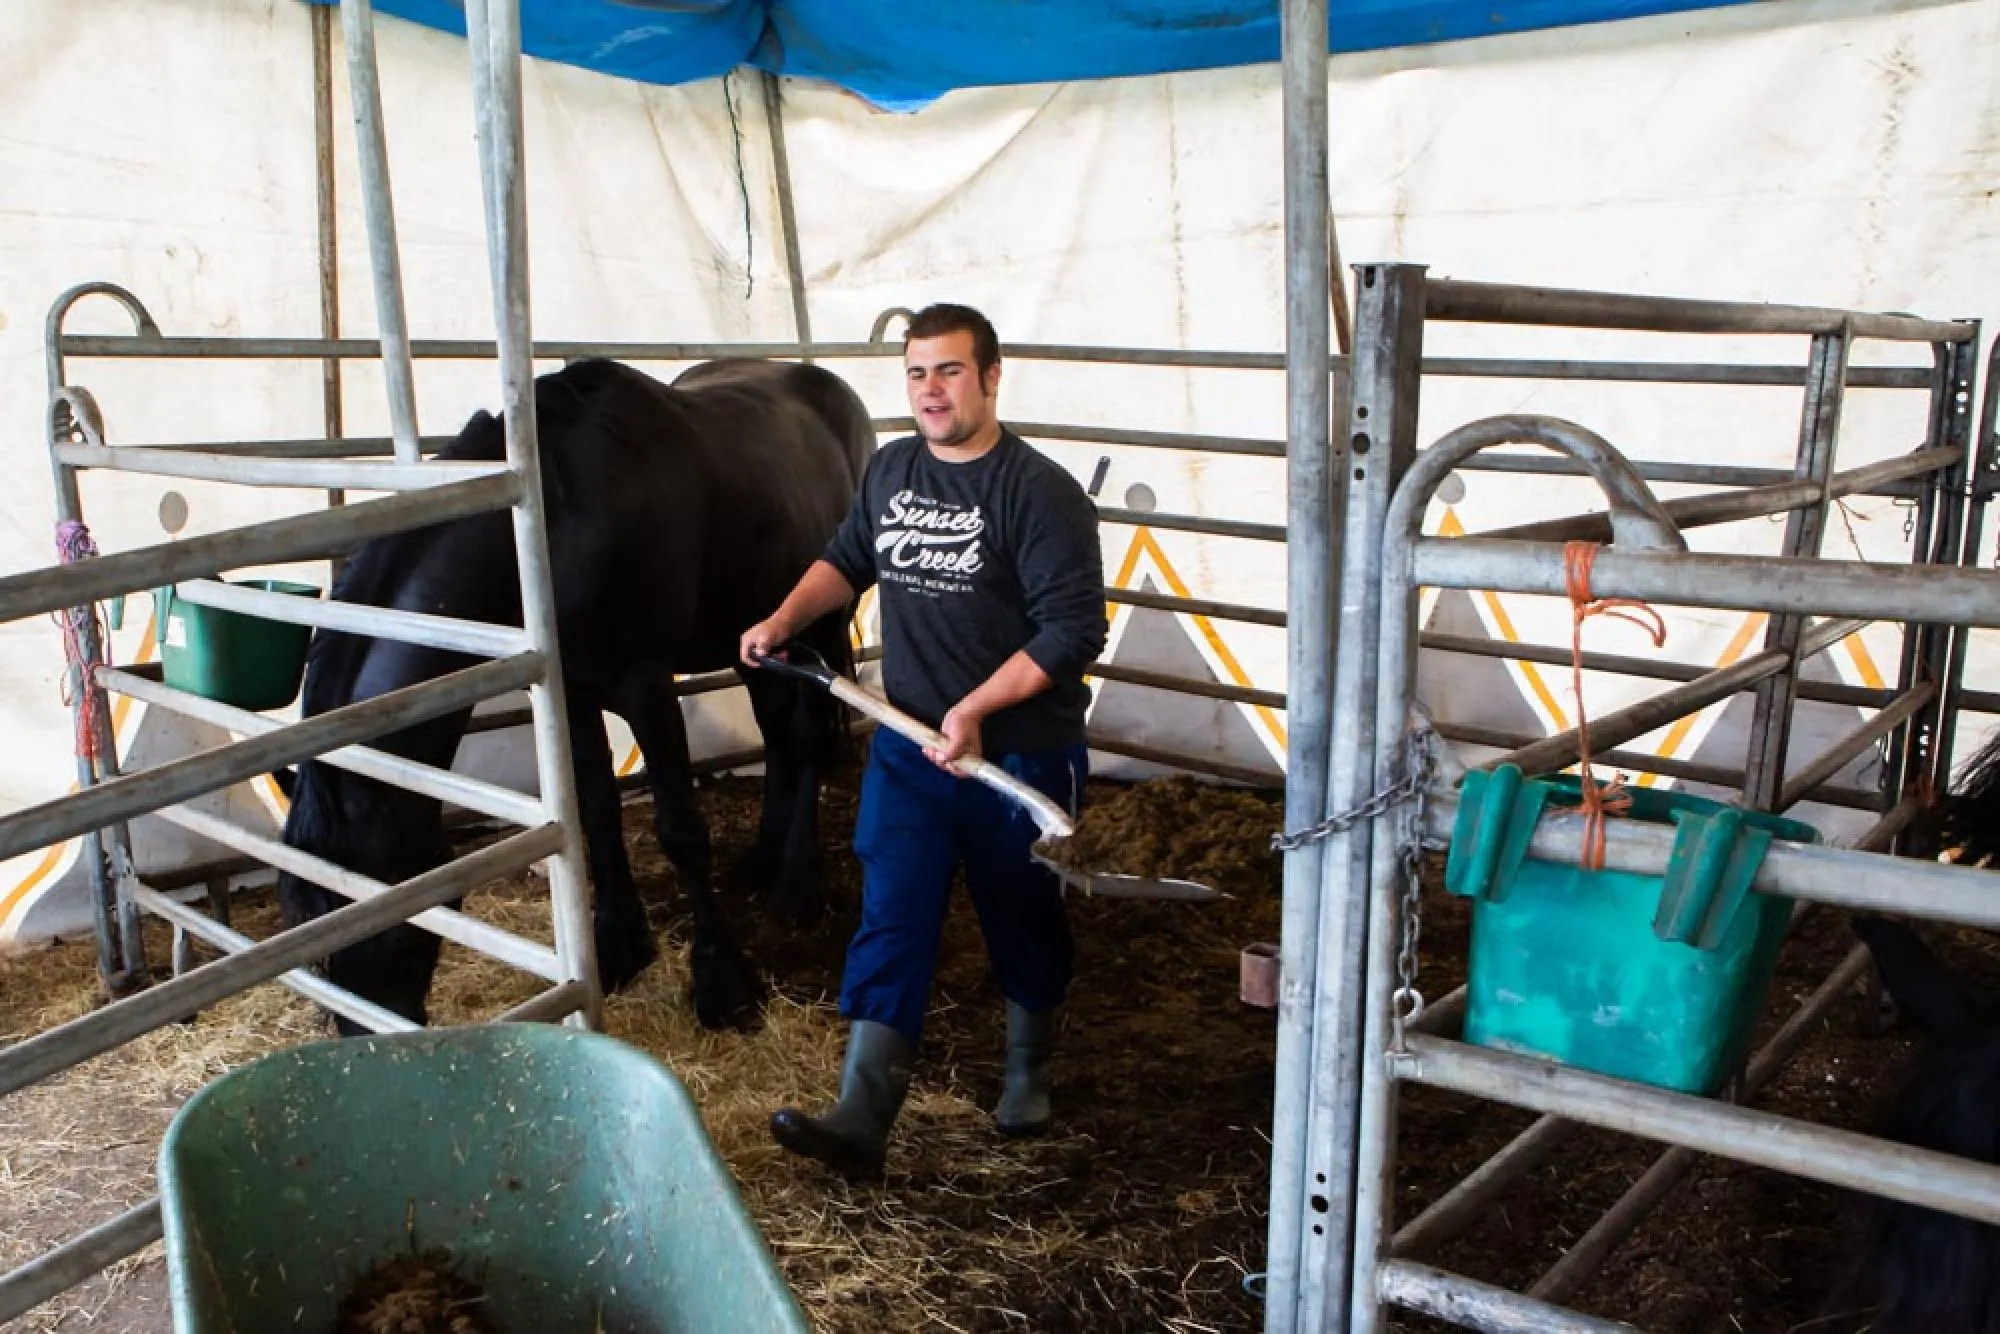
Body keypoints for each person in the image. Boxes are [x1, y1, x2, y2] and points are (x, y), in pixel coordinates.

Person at [740, 302, 1108, 1179]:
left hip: (1015, 754)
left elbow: (1071, 631)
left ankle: (1028, 1067)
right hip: (910, 745)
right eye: (916, 374)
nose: (931, 390)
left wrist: (977, 708)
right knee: (892, 910)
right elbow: (848, 556)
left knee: (1020, 910)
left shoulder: (1039, 492)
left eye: (948, 371)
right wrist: (785, 616)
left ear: (990, 376)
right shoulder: (894, 469)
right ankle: (863, 1116)